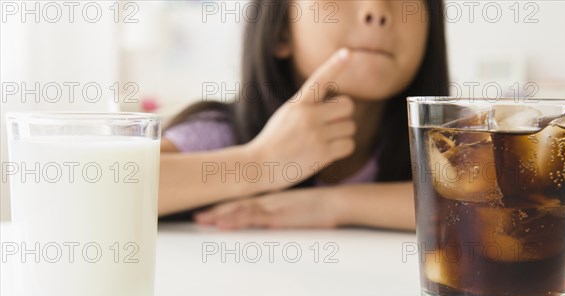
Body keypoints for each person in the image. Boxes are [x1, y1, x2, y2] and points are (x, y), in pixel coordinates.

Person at [159, 0, 448, 230]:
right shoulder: (224, 134)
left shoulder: (449, 142)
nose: (377, 10)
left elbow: (485, 208)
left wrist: (333, 205)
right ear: (281, 30)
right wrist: (260, 163)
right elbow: (116, 186)